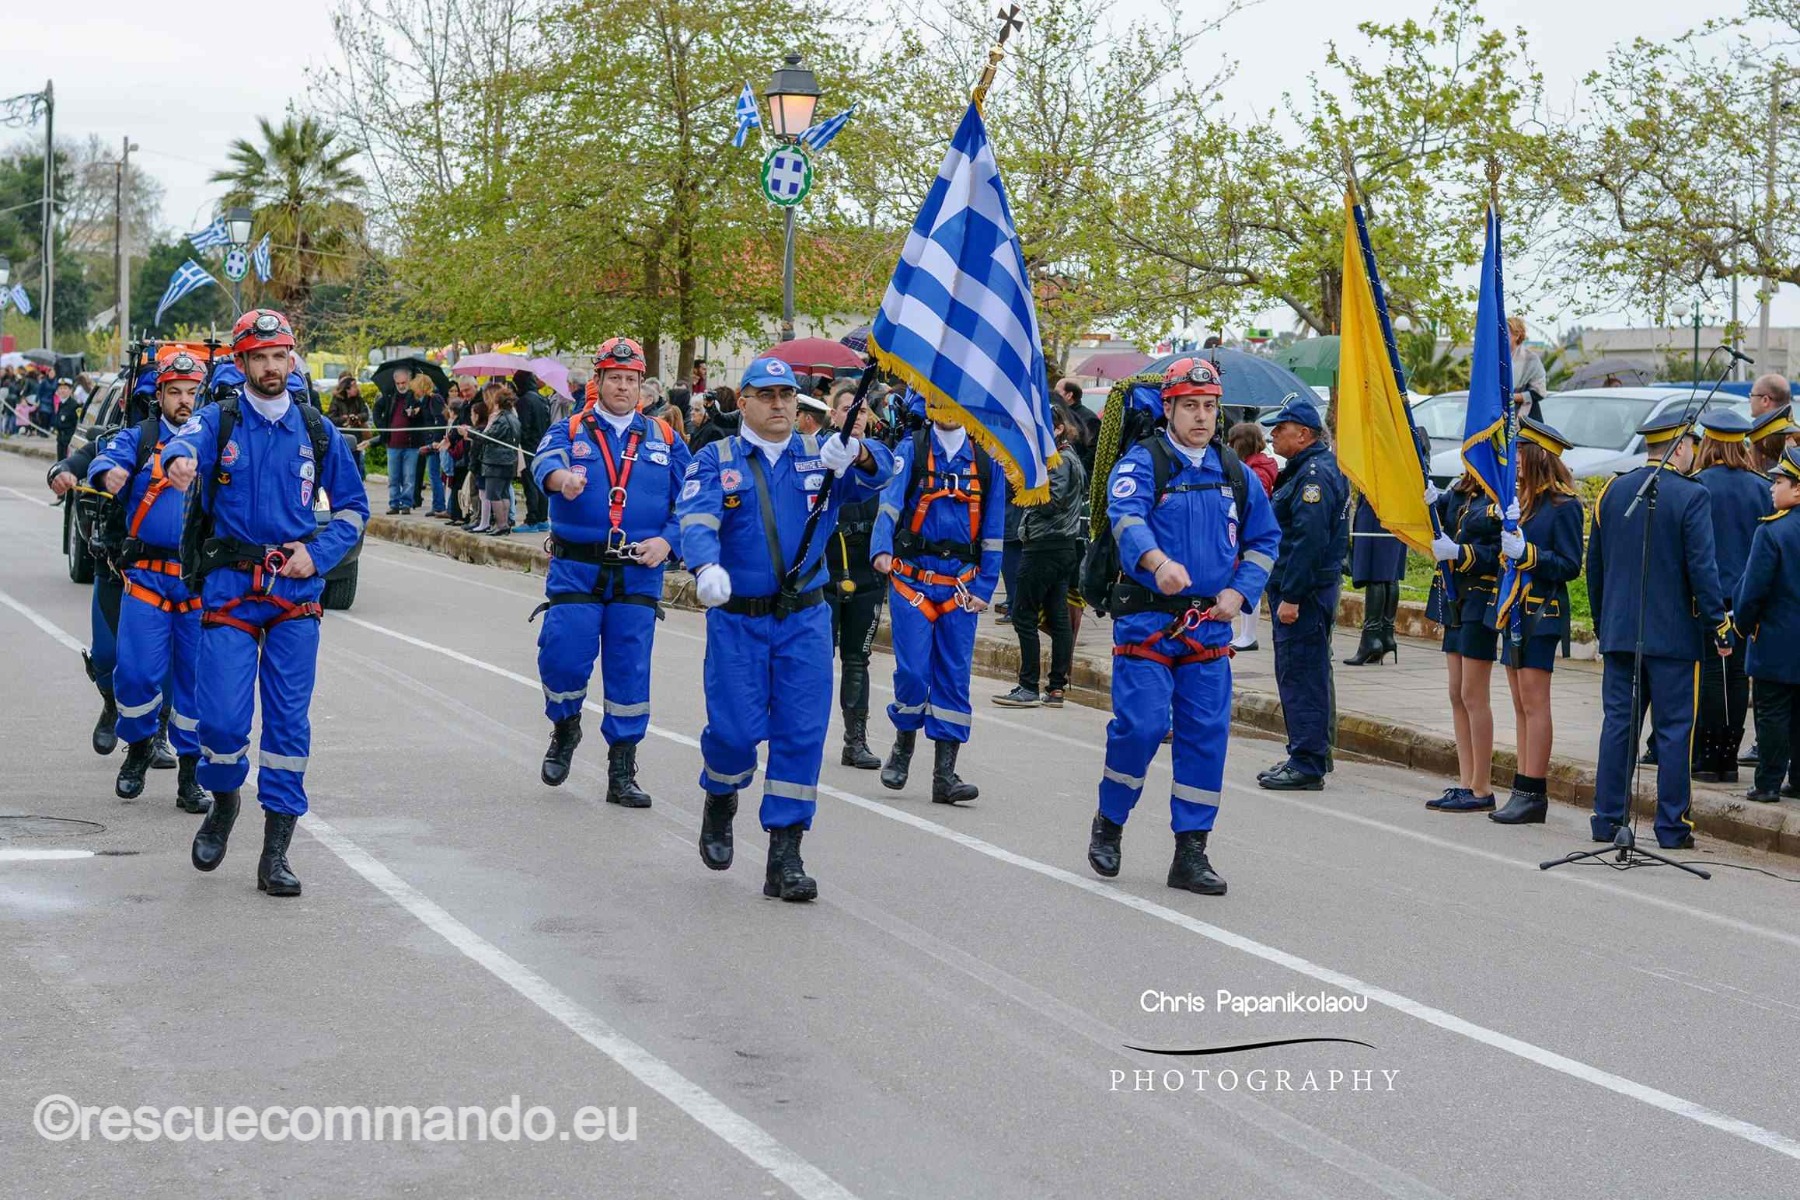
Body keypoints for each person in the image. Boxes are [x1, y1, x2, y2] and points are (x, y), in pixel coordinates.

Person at [162, 309, 370, 896]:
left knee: (287, 725)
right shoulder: (219, 420)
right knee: (222, 721)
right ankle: (224, 801)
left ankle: (276, 851)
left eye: (280, 356)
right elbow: (183, 443)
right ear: (243, 362)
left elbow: (354, 509)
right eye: (260, 358)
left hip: (294, 596)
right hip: (230, 591)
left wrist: (318, 555)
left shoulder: (317, 429)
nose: (272, 367)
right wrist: (178, 462)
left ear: (291, 360)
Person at [676, 356, 895, 901]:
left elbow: (884, 473)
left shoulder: (821, 456)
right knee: (734, 733)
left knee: (801, 732)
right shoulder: (716, 458)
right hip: (738, 620)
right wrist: (704, 565)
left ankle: (786, 854)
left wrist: (858, 453)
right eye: (767, 394)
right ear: (744, 401)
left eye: (787, 395)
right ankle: (721, 795)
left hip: (804, 620)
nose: (778, 404)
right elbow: (697, 517)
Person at [1085, 357, 1280, 894]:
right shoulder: (1142, 463)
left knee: (1206, 738)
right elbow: (1126, 518)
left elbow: (1264, 540)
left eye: (1209, 406)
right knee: (1143, 727)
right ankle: (1110, 822)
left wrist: (1240, 592)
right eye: (1190, 405)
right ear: (1168, 408)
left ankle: (1191, 853)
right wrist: (1156, 562)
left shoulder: (1235, 472)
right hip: (1148, 622)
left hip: (1209, 628)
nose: (1201, 416)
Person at [531, 336, 690, 806]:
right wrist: (562, 479)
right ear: (598, 382)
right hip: (577, 568)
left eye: (631, 379)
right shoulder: (571, 428)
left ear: (641, 386)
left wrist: (669, 541)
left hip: (638, 572)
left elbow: (694, 499)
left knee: (629, 670)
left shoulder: (665, 438)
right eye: (614, 378)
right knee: (562, 655)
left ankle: (622, 770)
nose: (623, 386)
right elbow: (545, 462)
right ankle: (565, 726)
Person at [1586, 412, 1730, 850]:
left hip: (1620, 632)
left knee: (1618, 727)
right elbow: (1702, 569)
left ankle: (1607, 819)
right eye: (1692, 446)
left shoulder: (1612, 491)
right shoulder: (1692, 495)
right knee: (1673, 732)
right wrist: (1719, 623)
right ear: (1680, 446)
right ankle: (1671, 826)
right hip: (1674, 638)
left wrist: (1604, 623)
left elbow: (1596, 568)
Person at [86, 353, 211, 812]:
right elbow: (104, 458)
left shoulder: (217, 441)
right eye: (174, 392)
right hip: (147, 579)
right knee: (136, 674)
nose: (183, 400)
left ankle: (190, 777)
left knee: (196, 685)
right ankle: (138, 747)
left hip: (198, 583)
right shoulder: (139, 437)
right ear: (159, 396)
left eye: (192, 392)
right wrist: (108, 473)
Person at [871, 404, 1004, 803]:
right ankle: (903, 746)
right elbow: (889, 504)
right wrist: (881, 548)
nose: (947, 409)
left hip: (960, 588)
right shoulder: (911, 449)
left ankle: (945, 775)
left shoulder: (986, 459)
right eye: (939, 400)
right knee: (913, 673)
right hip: (913, 580)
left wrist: (986, 586)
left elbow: (994, 528)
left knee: (954, 677)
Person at [1489, 417, 1586, 825]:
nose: (1515, 460)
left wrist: (1527, 554)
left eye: (1521, 453)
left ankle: (1533, 791)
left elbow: (1569, 565)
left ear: (1539, 456)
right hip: (1514, 610)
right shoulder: (1521, 502)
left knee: (1534, 702)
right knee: (1519, 703)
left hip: (1541, 613)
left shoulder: (1565, 505)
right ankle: (1521, 786)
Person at [1258, 395, 1349, 790]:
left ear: (1305, 434)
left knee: (1302, 674)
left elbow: (1308, 541)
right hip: (1305, 588)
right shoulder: (1304, 469)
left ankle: (1307, 762)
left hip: (1305, 592)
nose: (1273, 435)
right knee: (1307, 671)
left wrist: (1292, 596)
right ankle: (1309, 752)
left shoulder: (1313, 476)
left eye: (1281, 428)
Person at [1690, 410, 1768, 783]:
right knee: (1737, 676)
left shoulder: (1697, 485)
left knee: (1708, 673)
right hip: (1746, 597)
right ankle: (1729, 757)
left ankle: (1707, 757)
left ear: (1708, 442)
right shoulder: (1761, 487)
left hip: (1706, 596)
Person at [993, 404, 1086, 708]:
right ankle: (1056, 687)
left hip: (1046, 546)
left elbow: (1051, 502)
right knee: (1058, 618)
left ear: (1058, 429)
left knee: (1024, 615)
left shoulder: (1060, 460)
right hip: (1060, 545)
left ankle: (1028, 685)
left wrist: (1025, 485)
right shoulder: (1065, 457)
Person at [1421, 470, 1503, 811]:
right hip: (1455, 596)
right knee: (1456, 692)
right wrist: (1427, 501)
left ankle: (1482, 788)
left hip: (1481, 599)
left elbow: (1499, 553)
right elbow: (1440, 520)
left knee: (1473, 694)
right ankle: (1466, 781)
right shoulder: (1461, 490)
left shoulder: (1500, 496)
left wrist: (1460, 552)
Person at [823, 381, 885, 770]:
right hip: (826, 574)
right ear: (834, 415)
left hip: (867, 574)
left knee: (857, 659)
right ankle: (804, 735)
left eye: (861, 410)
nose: (855, 417)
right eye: (848, 409)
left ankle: (855, 741)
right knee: (817, 658)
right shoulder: (820, 453)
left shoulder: (879, 458)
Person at [1735, 448, 1800, 802]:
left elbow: (1752, 592)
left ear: (1798, 489)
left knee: (1773, 713)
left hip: (1775, 639)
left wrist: (1742, 627)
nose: (1772, 488)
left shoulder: (1773, 531)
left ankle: (1768, 783)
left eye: (1779, 482)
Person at [1225, 422, 1278, 653]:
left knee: (1247, 581)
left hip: (1248, 534)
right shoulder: (1257, 466)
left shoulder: (1255, 472)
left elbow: (1255, 502)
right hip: (1245, 532)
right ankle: (1245, 633)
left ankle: (1249, 634)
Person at [373, 366, 422, 514]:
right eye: (398, 383)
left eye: (403, 383)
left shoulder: (415, 396)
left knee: (409, 477)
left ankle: (406, 504)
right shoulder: (389, 396)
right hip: (393, 443)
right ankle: (394, 503)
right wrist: (381, 426)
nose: (401, 386)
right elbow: (376, 410)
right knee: (393, 477)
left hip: (411, 444)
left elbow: (424, 415)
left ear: (409, 381)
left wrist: (415, 413)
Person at [476, 383, 521, 535]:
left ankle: (501, 525)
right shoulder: (514, 418)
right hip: (510, 460)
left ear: (497, 402)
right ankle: (505, 523)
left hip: (496, 462)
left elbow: (487, 437)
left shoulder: (501, 419)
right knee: (504, 493)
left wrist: (469, 433)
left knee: (494, 494)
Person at [512, 370, 552, 532]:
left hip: (528, 447)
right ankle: (542, 518)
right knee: (540, 482)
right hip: (542, 445)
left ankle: (532, 519)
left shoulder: (524, 401)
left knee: (530, 483)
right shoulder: (543, 399)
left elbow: (523, 426)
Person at [328, 376, 373, 478]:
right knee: (342, 467)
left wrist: (357, 417)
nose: (356, 388)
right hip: (341, 438)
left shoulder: (359, 400)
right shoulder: (336, 401)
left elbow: (365, 414)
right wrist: (344, 419)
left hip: (356, 439)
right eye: (354, 386)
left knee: (357, 466)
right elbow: (331, 418)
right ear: (347, 389)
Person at [1509, 317, 1546, 421]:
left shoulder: (1531, 359)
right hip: (1498, 418)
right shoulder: (1494, 359)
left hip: (1526, 419)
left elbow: (1539, 392)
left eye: (1506, 333)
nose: (1501, 337)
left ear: (1517, 335)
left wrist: (1510, 397)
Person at [1749, 403, 1798, 474]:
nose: (1794, 443)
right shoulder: (1779, 475)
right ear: (1766, 442)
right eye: (1787, 438)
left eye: (1792, 438)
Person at [52, 377, 81, 458]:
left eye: (65, 388)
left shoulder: (75, 405)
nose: (62, 391)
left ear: (70, 390)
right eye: (60, 388)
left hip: (69, 441)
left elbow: (77, 423)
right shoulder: (60, 404)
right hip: (60, 440)